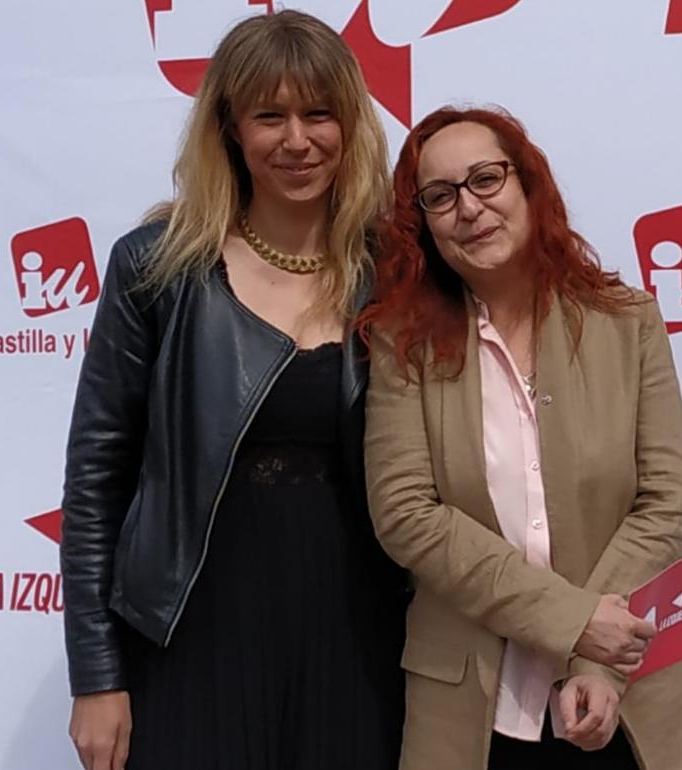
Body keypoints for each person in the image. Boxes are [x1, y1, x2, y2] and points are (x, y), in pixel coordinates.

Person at [60, 11, 407, 770]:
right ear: (228, 127)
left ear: (351, 124)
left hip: (361, 631)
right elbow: (95, 484)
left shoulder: (395, 271)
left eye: (319, 114)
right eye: (269, 116)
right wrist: (97, 675)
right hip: (190, 629)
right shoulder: (156, 268)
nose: (297, 140)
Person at [361, 106, 682, 770]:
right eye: (440, 196)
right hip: (473, 714)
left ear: (527, 184)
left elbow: (663, 504)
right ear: (422, 223)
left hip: (631, 695)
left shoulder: (627, 321)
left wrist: (595, 660)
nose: (469, 208)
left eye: (486, 179)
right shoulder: (402, 345)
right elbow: (405, 514)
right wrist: (574, 622)